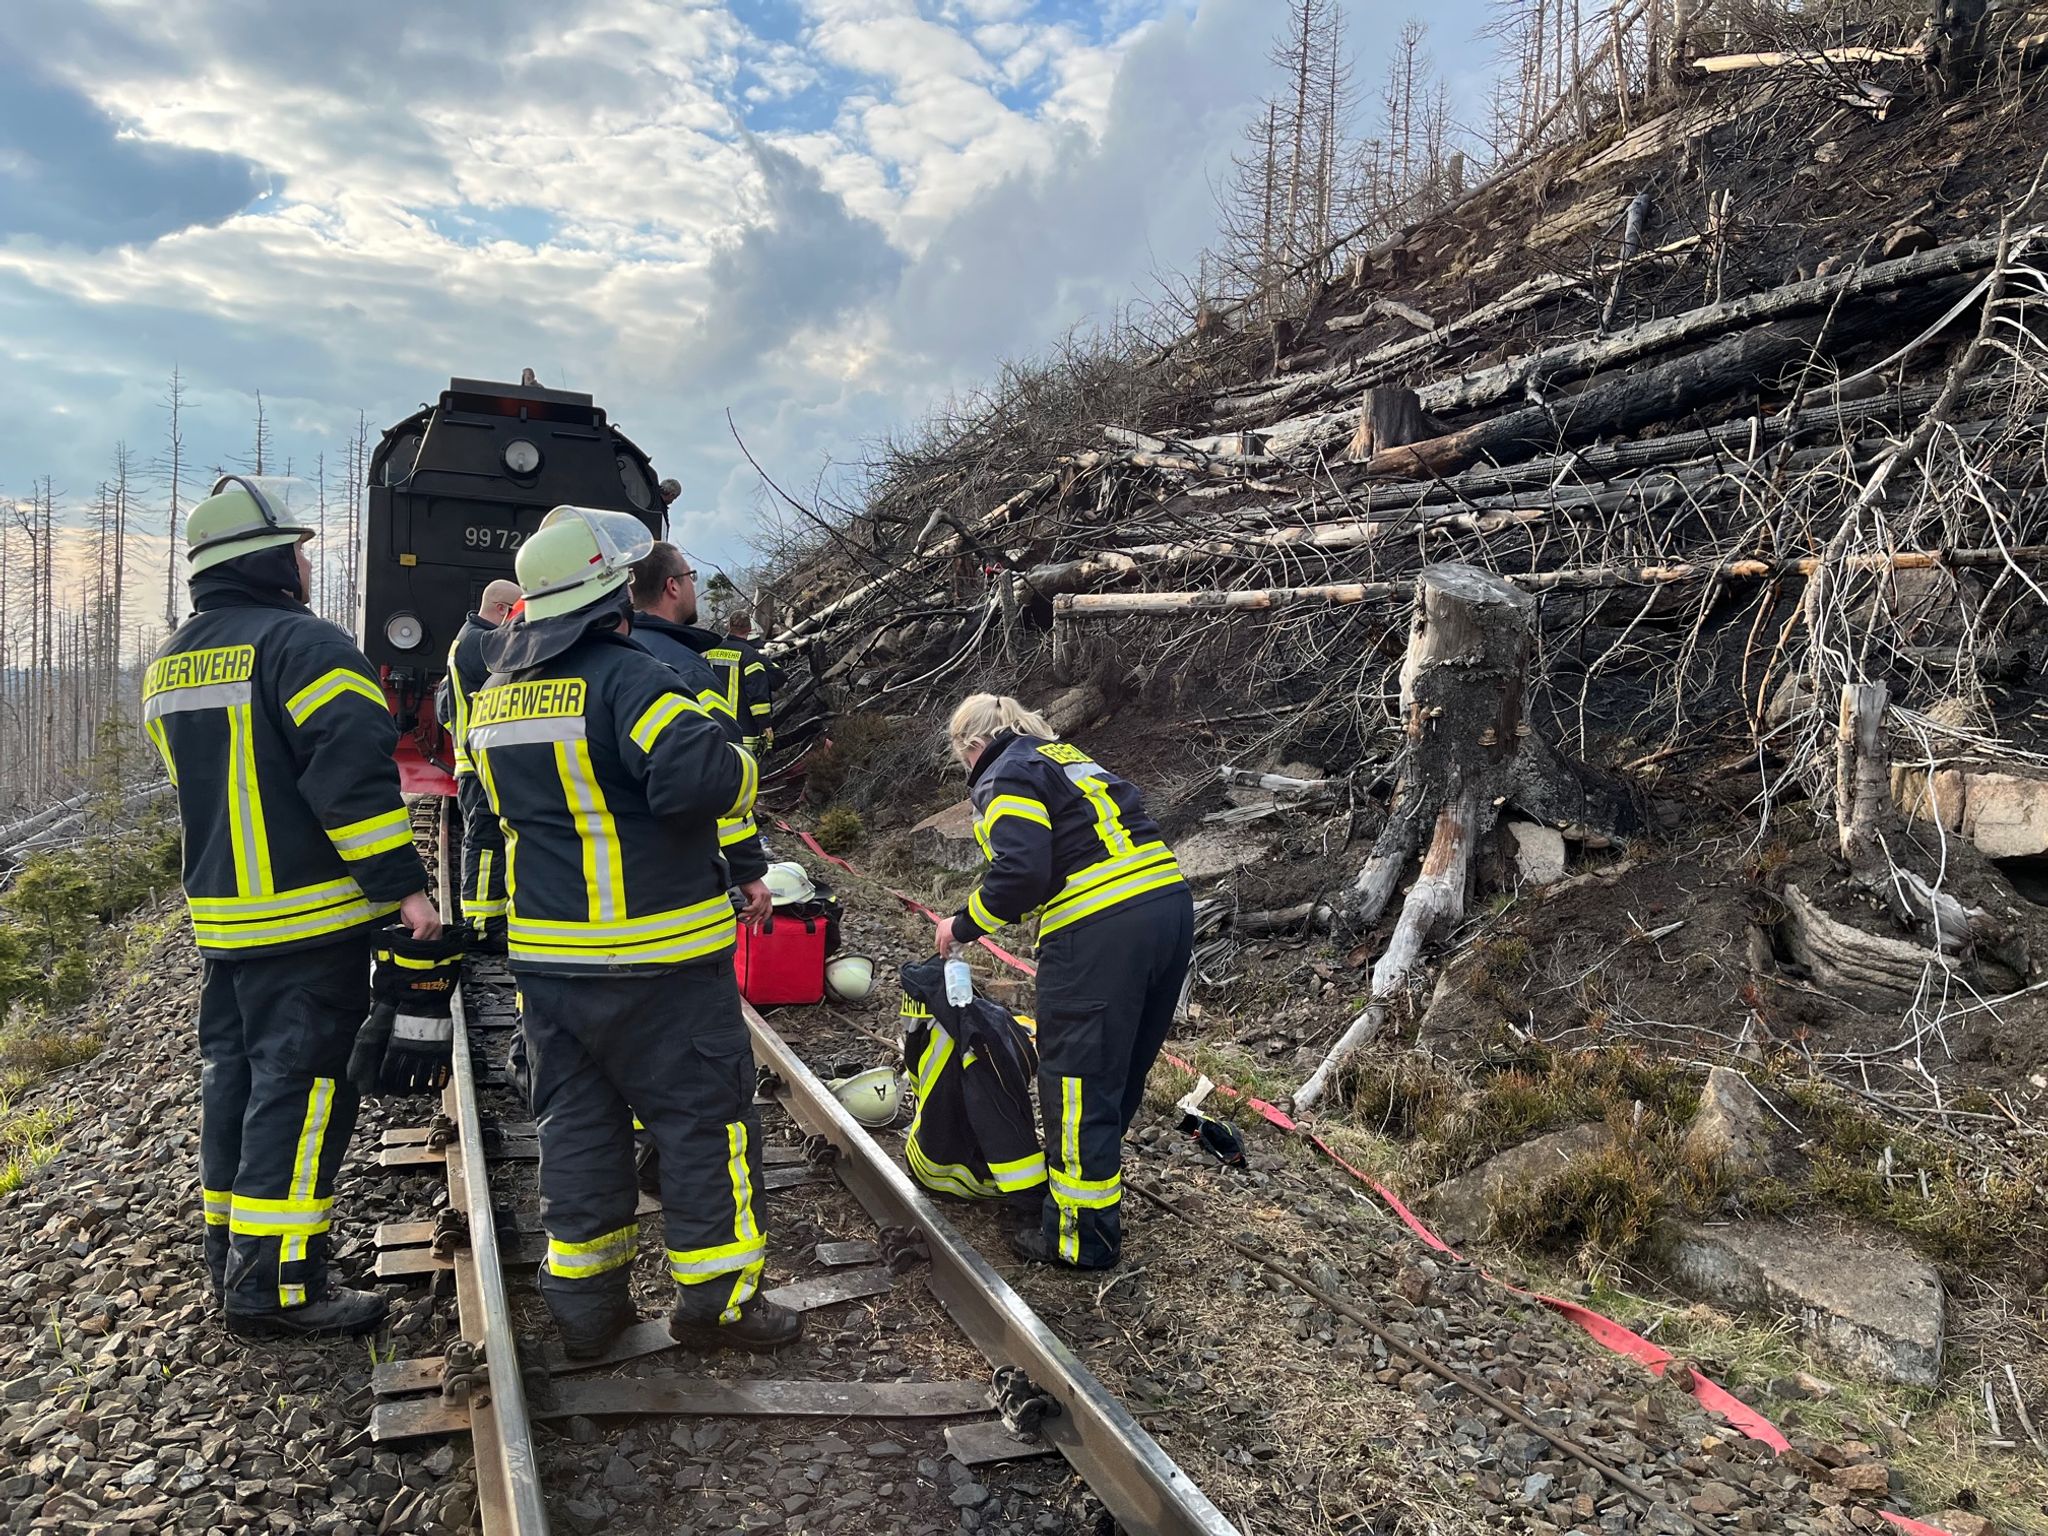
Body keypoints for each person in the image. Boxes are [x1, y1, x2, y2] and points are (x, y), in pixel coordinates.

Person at [467, 506, 801, 1358]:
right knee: (703, 1123)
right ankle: (717, 1308)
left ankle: (585, 1310)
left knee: (576, 1127)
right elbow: (696, 781)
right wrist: (741, 761)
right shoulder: (635, 679)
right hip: (661, 958)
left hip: (550, 962)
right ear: (613, 591)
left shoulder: (497, 695)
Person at [145, 474, 443, 1339]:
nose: (309, 565)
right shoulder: (306, 648)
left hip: (226, 923)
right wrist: (404, 890)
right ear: (275, 561)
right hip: (310, 924)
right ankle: (276, 1288)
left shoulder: (171, 664)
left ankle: (232, 1255)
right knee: (304, 1095)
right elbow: (352, 785)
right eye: (301, 551)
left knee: (233, 1086)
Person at [933, 694, 1193, 1271]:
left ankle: (1080, 1236)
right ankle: (1089, 1183)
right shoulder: (1062, 756)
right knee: (1118, 1064)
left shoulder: (1001, 774)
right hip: (1167, 906)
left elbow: (1024, 870)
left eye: (962, 763)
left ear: (972, 747)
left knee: (1076, 1077)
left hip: (1100, 926)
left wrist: (963, 923)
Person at [627, 543, 770, 927]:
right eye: (691, 577)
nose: (694, 586)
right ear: (672, 586)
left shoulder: (612, 655)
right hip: (673, 880)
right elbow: (716, 779)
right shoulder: (686, 669)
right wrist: (748, 869)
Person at [437, 578, 522, 949]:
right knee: (486, 839)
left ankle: (484, 916)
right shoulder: (484, 644)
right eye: (518, 615)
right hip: (481, 761)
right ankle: (483, 924)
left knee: (484, 836)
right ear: (503, 610)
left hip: (471, 759)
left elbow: (443, 706)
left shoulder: (465, 640)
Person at [721, 611, 781, 754]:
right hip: (743, 729)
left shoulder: (712, 651)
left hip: (717, 725)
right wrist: (765, 723)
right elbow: (757, 693)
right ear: (749, 629)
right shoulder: (750, 655)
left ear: (729, 627)